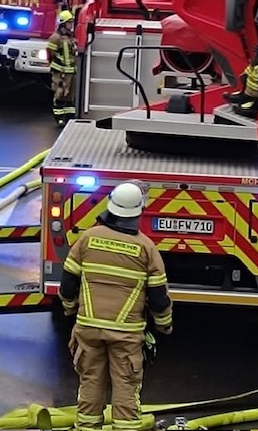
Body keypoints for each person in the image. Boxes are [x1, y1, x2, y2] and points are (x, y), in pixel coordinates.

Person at [59, 183, 172, 431]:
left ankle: (87, 428)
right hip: (126, 332)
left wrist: (70, 309)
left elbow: (67, 283)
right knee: (125, 385)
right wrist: (164, 326)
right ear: (138, 212)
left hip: (88, 327)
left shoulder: (87, 239)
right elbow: (158, 298)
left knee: (90, 381)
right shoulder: (146, 248)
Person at [46, 9, 77, 127]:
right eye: (69, 22)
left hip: (70, 72)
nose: (71, 25)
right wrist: (56, 66)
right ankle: (59, 118)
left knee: (69, 96)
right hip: (59, 72)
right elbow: (50, 54)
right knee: (59, 94)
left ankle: (69, 118)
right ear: (63, 24)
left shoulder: (71, 37)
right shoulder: (55, 37)